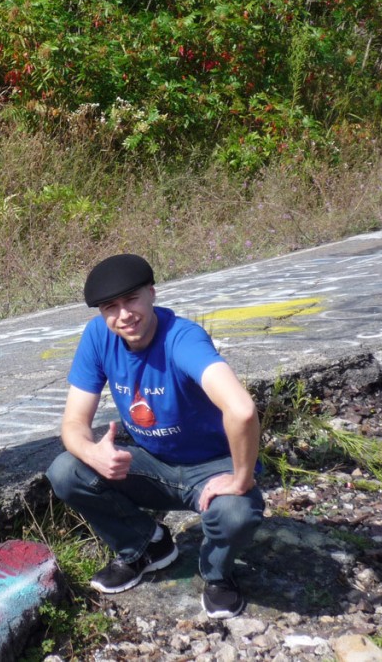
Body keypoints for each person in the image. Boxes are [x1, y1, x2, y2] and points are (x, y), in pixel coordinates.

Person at [46, 254, 264, 618]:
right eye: (110, 307)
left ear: (151, 293)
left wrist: (241, 479)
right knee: (66, 469)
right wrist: (91, 452)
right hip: (153, 465)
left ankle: (217, 576)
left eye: (131, 299)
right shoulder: (99, 337)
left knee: (235, 512)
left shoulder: (182, 338)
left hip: (212, 469)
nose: (123, 315)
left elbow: (241, 410)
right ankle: (147, 546)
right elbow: (72, 424)